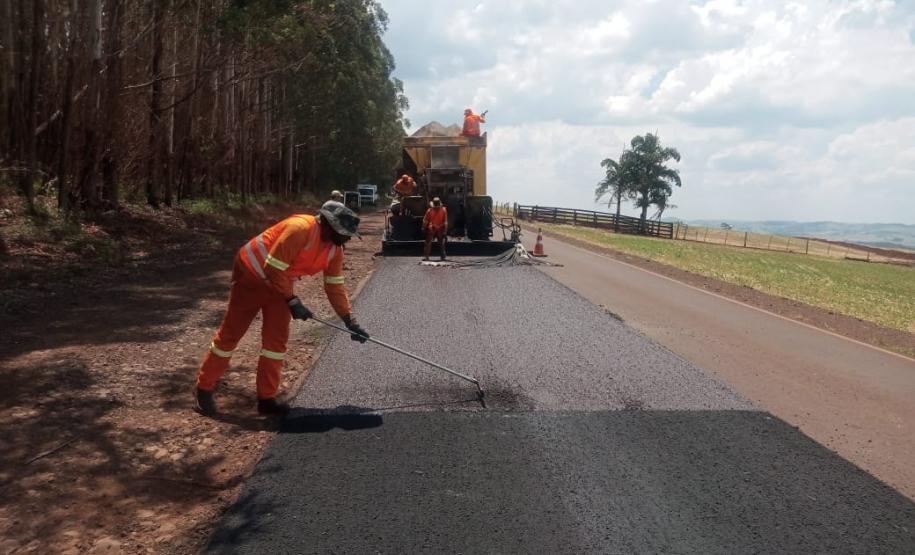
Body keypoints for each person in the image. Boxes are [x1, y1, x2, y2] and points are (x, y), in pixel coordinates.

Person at [194, 203, 369, 417]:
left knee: (275, 342)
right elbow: (272, 268)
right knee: (231, 335)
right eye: (344, 234)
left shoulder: (335, 250)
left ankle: (266, 399)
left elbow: (334, 286)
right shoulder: (299, 230)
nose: (347, 239)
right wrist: (292, 300)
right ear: (328, 225)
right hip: (252, 274)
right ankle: (204, 388)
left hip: (279, 284)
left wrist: (350, 320)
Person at [422, 197, 448, 261]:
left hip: (432, 228)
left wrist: (423, 228)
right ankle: (443, 256)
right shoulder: (444, 210)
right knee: (441, 242)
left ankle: (426, 256)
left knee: (428, 243)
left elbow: (425, 221)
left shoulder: (430, 210)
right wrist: (445, 231)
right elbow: (446, 222)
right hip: (440, 228)